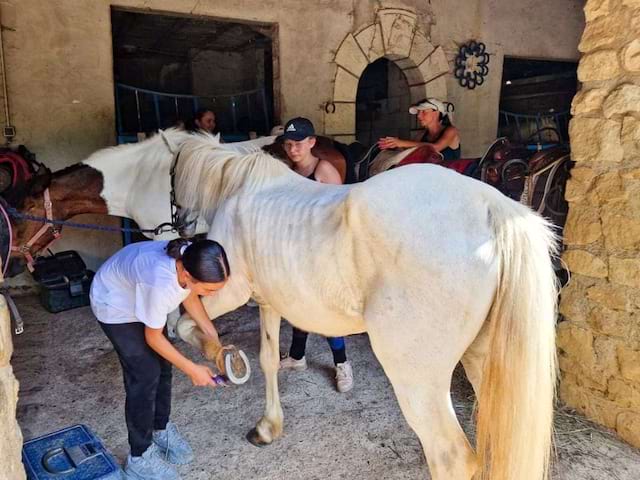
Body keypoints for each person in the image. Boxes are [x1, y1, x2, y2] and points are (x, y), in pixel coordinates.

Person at [90, 238, 230, 480]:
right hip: (114, 304)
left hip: (139, 295)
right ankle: (139, 457)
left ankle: (160, 429)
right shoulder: (160, 282)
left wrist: (213, 337)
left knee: (163, 366)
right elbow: (154, 338)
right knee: (144, 375)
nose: (212, 294)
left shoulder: (188, 258)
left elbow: (190, 294)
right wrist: (192, 369)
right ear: (187, 274)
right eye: (210, 289)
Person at [277, 117, 354, 393]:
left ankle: (342, 364)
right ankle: (297, 356)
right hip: (298, 250)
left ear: (311, 142)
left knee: (326, 310)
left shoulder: (324, 171)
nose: (293, 149)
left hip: (323, 251)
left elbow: (339, 215)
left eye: (298, 143)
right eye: (288, 144)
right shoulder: (287, 173)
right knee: (298, 304)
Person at [378, 98, 461, 160]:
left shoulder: (451, 130)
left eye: (423, 112)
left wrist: (401, 142)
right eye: (418, 112)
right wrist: (394, 145)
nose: (418, 116)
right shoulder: (421, 135)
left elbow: (436, 148)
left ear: (436, 113)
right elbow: (410, 149)